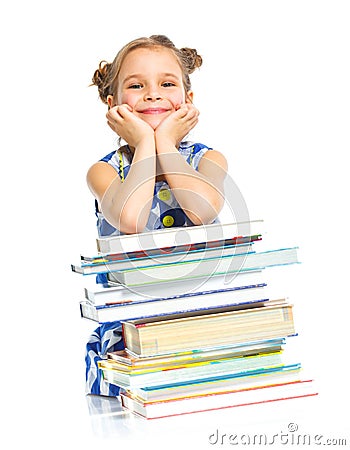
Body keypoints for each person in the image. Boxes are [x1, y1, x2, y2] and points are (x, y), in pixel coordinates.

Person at [85, 35, 228, 397]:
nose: (152, 94)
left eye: (167, 83)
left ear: (187, 100)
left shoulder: (208, 160)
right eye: (137, 85)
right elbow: (130, 218)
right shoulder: (104, 172)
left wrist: (164, 143)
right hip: (129, 333)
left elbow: (200, 209)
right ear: (114, 104)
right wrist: (147, 143)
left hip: (202, 321)